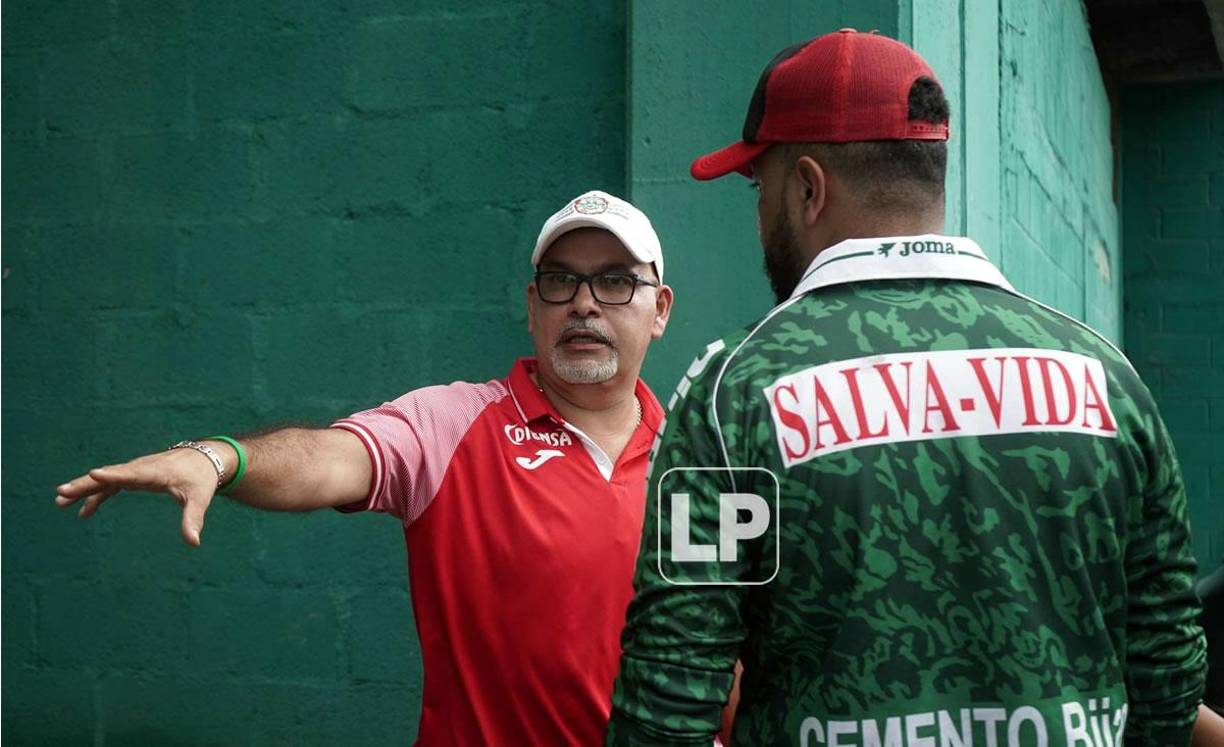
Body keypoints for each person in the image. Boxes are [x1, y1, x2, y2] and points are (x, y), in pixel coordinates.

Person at [607, 30, 1209, 745]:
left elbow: (669, 698)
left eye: (757, 186)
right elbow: (1168, 676)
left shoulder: (733, 395)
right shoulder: (1109, 378)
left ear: (807, 188)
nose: (759, 212)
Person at [55, 190, 675, 745]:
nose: (585, 304)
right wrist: (219, 458)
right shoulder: (451, 426)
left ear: (660, 309)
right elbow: (329, 458)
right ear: (532, 305)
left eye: (616, 281)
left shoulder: (701, 456)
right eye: (561, 282)